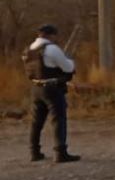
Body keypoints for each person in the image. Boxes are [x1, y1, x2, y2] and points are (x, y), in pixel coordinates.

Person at [23, 24, 80, 163]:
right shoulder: (52, 49)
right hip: (52, 87)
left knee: (36, 122)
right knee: (58, 120)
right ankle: (60, 153)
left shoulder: (30, 48)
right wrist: (71, 62)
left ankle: (34, 152)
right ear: (51, 35)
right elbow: (68, 67)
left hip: (36, 87)